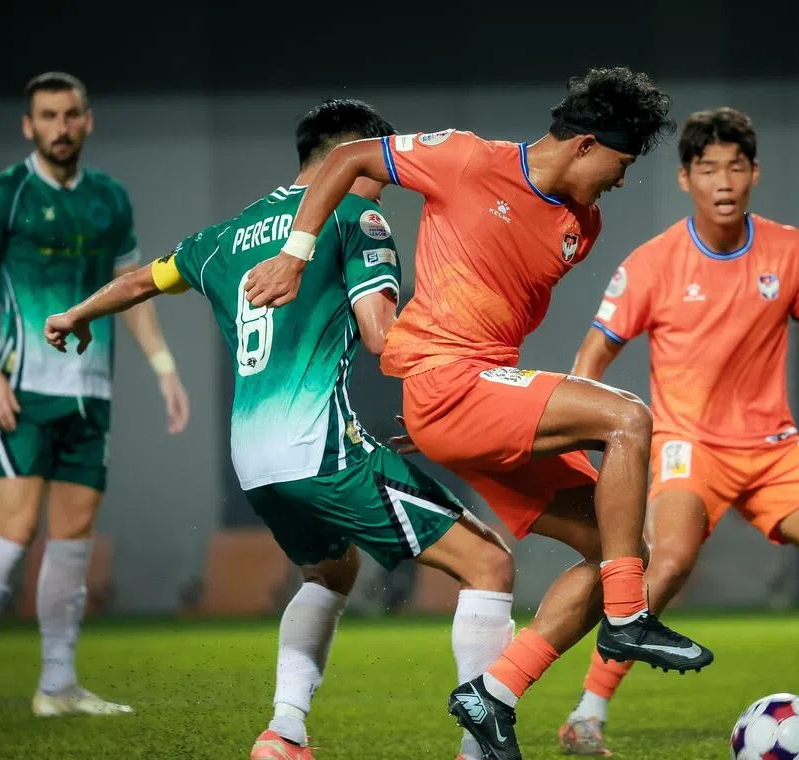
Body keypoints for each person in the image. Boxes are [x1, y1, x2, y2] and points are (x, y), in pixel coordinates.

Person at [242, 68, 713, 760]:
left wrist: (467, 422)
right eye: (622, 161)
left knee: (622, 552)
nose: (622, 179)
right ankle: (627, 621)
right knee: (628, 418)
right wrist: (296, 252)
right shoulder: (465, 157)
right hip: (450, 388)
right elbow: (347, 159)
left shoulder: (581, 227)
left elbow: (486, 317)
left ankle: (495, 692)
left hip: (474, 400)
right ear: (586, 145)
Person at [43, 99, 516, 760]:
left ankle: (284, 732)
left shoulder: (223, 237)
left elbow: (143, 279)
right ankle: (481, 751)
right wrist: (468, 361)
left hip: (256, 463)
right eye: (382, 163)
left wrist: (77, 314)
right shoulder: (357, 215)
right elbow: (384, 338)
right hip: (321, 450)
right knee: (488, 561)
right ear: (345, 157)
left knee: (330, 575)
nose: (392, 177)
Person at [557, 107, 799, 755]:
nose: (724, 180)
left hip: (773, 450)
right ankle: (586, 715)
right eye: (708, 167)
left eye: (736, 166)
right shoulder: (653, 263)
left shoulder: (789, 249)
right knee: (670, 563)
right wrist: (587, 423)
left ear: (754, 174)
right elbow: (592, 356)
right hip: (689, 445)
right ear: (686, 178)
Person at [0, 71, 189, 719]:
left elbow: (131, 293)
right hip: (21, 391)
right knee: (16, 531)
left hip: (90, 395)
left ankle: (57, 685)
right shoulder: (3, 195)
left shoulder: (110, 198)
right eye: (47, 116)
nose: (60, 127)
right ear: (29, 126)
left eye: (70, 114)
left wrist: (164, 367)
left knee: (74, 536)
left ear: (89, 120)